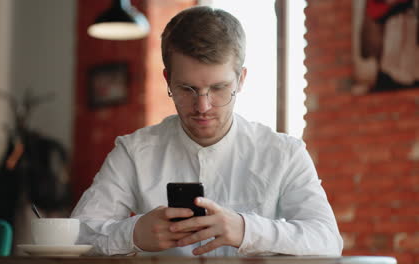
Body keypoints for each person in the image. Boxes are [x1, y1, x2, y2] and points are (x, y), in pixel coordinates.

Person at [71, 6, 343, 257]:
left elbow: (328, 241)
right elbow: (75, 236)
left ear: (241, 80)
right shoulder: (133, 152)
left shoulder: (285, 153)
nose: (203, 106)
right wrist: (133, 234)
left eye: (218, 88)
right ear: (168, 80)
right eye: (187, 89)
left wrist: (246, 230)